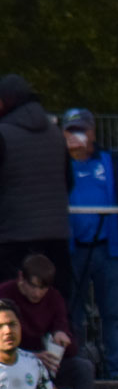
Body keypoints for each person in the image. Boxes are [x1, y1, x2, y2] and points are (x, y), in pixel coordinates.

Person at [61, 109, 118, 383]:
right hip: (72, 250)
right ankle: (75, 371)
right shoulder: (57, 163)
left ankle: (117, 373)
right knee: (71, 312)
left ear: (93, 132)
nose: (77, 136)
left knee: (114, 313)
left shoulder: (112, 160)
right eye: (71, 131)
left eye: (82, 130)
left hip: (109, 249)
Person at [0, 75, 73, 303]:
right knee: (55, 304)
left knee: (10, 304)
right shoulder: (57, 135)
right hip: (56, 234)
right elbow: (69, 181)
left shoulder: (3, 134)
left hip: (12, 235)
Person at [0, 255, 95, 389]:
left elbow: (69, 342)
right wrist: (31, 357)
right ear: (21, 278)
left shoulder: (54, 298)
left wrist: (61, 337)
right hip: (11, 363)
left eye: (43, 288)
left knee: (83, 368)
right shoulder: (4, 294)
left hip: (44, 365)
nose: (37, 293)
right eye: (33, 286)